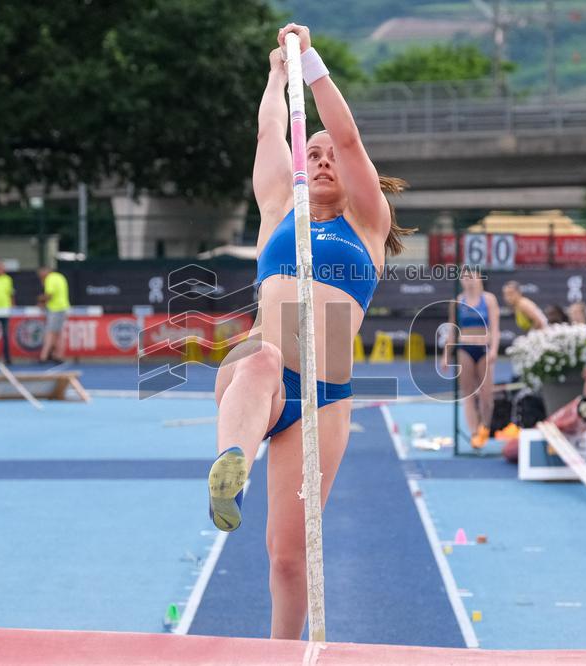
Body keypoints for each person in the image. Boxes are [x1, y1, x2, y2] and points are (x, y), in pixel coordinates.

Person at [206, 23, 413, 640]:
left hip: (325, 398)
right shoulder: (279, 211)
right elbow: (270, 131)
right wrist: (276, 73)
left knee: (289, 555)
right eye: (312, 153)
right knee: (263, 358)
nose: (322, 159)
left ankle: (281, 654)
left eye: (330, 158)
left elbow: (345, 135)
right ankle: (231, 468)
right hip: (257, 372)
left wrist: (313, 63)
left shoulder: (367, 225)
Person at [445, 269, 500, 448]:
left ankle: (485, 425)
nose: (468, 280)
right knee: (467, 393)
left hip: (483, 348)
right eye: (464, 277)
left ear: (479, 278)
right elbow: (452, 329)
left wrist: (494, 350)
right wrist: (446, 355)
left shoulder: (489, 299)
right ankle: (474, 432)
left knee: (486, 394)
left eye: (471, 276)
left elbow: (495, 328)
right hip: (465, 348)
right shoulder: (457, 301)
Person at [37, 267, 70, 363]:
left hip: (55, 309)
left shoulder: (49, 279)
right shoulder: (60, 277)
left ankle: (44, 356)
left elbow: (49, 295)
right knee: (58, 333)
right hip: (64, 307)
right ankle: (58, 355)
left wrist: (40, 300)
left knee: (50, 332)